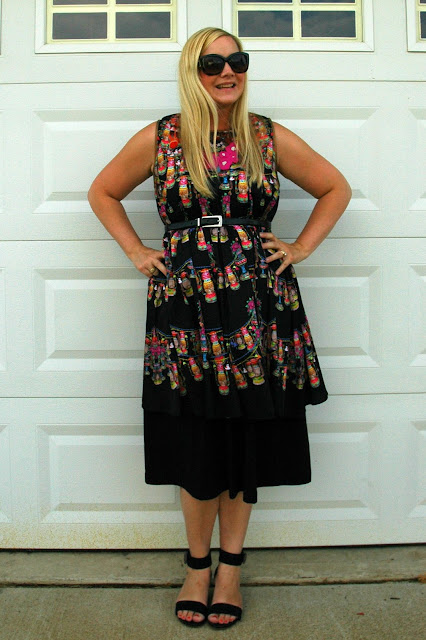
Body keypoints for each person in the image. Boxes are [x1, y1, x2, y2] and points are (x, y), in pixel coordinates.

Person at [88, 26, 351, 630]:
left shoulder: (266, 136)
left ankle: (230, 567)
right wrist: (136, 251)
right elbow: (103, 191)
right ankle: (197, 565)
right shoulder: (162, 138)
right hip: (187, 310)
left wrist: (300, 247)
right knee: (195, 436)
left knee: (244, 436)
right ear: (193, 71)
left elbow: (334, 187)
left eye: (237, 60)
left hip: (257, 306)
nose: (227, 71)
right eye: (212, 63)